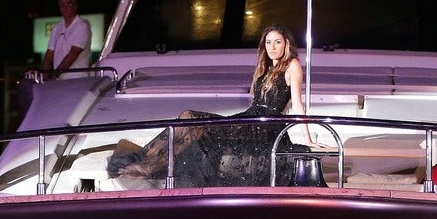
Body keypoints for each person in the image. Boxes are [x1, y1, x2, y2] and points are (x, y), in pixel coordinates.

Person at [107, 25, 322, 186]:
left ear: (286, 44)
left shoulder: (292, 65)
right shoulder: (264, 67)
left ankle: (150, 165)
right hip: (248, 118)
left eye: (277, 42)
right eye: (268, 42)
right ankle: (150, 161)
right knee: (189, 119)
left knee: (192, 119)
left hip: (264, 127)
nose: (272, 47)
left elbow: (298, 106)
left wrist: (309, 138)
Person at [40, 0, 91, 80]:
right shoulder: (57, 27)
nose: (65, 7)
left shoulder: (82, 26)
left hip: (77, 78)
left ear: (75, 6)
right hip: (59, 80)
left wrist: (54, 75)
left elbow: (73, 53)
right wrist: (44, 77)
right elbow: (49, 53)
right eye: (62, 5)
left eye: (69, 4)